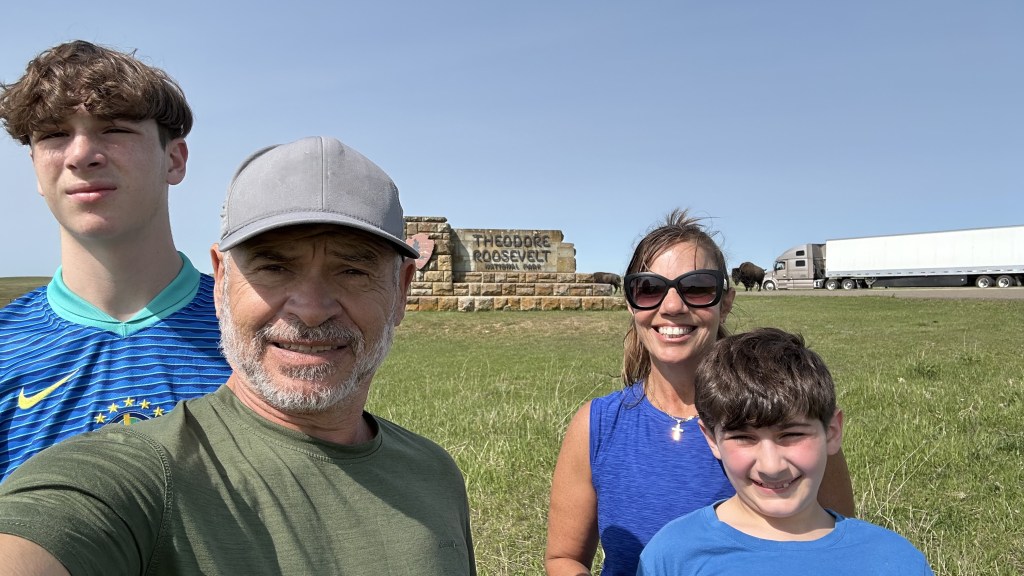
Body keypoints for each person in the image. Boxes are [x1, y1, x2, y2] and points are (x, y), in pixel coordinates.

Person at [0, 136, 477, 575]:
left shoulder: (434, 473)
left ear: (401, 292)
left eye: (352, 270)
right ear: (222, 282)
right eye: (274, 266)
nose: (311, 310)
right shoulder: (143, 475)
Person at [545, 209, 855, 576]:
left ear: (725, 303)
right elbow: (564, 559)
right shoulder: (596, 426)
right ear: (631, 303)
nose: (672, 306)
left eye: (697, 287)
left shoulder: (785, 420)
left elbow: (840, 551)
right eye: (649, 288)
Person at [0, 40, 230, 480]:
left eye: (115, 128)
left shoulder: (256, 332)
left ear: (175, 159)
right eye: (53, 134)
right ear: (35, 168)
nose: (81, 154)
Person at [637, 328, 933, 574]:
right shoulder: (672, 557)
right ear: (711, 439)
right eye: (743, 438)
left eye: (791, 435)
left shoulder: (896, 562)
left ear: (832, 432)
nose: (771, 465)